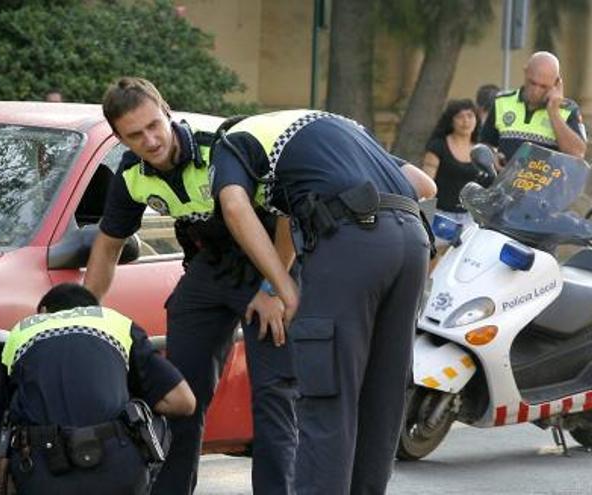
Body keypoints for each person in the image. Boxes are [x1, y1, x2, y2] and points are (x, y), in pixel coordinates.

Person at [83, 77, 293, 494]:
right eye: (135, 135)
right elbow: (106, 249)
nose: (150, 140)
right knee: (180, 397)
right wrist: (86, 319)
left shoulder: (221, 146)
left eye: (153, 126)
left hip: (271, 263)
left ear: (166, 110)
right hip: (209, 271)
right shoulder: (132, 175)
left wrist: (273, 288)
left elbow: (287, 213)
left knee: (274, 398)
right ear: (119, 138)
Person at [211, 109, 435, 494]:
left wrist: (286, 289)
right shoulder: (338, 130)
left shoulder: (234, 140)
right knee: (381, 397)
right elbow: (423, 183)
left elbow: (233, 205)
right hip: (412, 240)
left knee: (326, 398)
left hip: (352, 243)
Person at [0, 283, 195, 494]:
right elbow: (183, 402)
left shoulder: (21, 333)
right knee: (148, 414)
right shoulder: (117, 324)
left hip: (43, 475)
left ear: (43, 312)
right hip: (119, 471)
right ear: (94, 309)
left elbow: (3, 428)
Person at [480, 51, 587, 161]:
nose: (535, 91)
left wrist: (554, 113)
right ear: (525, 72)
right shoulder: (502, 102)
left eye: (543, 87)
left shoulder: (567, 111)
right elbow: (484, 144)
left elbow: (577, 154)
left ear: (557, 83)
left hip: (547, 177)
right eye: (532, 83)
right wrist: (492, 156)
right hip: (505, 177)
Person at [423, 99, 493, 227]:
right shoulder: (438, 146)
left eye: (470, 116)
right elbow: (427, 186)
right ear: (451, 121)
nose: (465, 121)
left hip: (471, 218)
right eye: (460, 117)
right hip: (440, 216)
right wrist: (425, 220)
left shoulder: (482, 150)